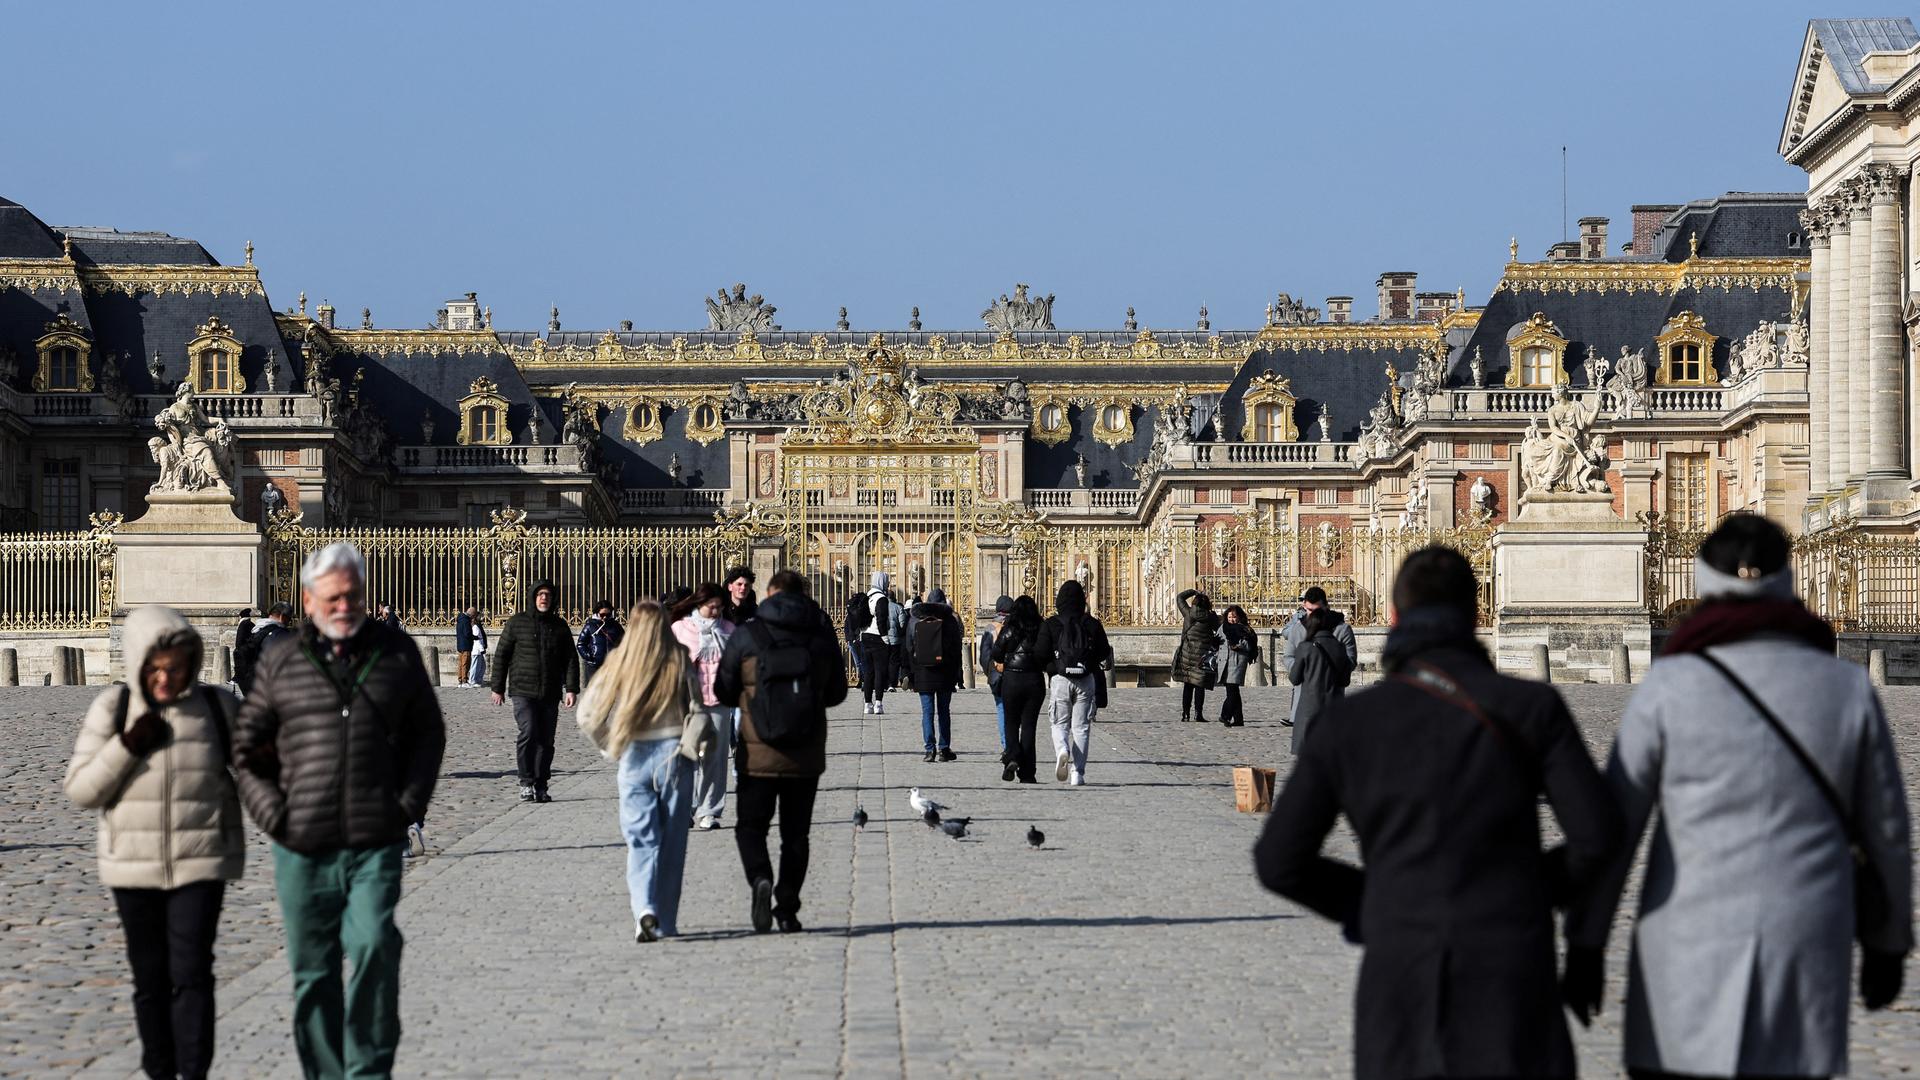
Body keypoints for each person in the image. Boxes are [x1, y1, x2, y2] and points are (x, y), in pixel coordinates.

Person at [1254, 546, 1621, 1080]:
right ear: (1476, 615)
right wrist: (1529, 888)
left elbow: (1278, 859)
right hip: (1510, 955)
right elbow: (1601, 834)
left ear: (1396, 617)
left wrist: (1372, 904)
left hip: (1401, 956)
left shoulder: (1349, 724)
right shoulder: (1532, 708)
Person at [1566, 514, 1912, 1080]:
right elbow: (1888, 830)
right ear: (1786, 580)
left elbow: (1615, 830)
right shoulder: (1846, 687)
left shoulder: (1669, 685)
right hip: (1804, 931)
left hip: (1686, 934)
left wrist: (1586, 942)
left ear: (1705, 581)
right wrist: (1888, 942)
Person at [233, 542, 446, 1079]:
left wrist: (407, 806)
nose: (344, 606)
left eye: (353, 595)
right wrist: (272, 815)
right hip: (301, 842)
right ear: (308, 601)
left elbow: (428, 735)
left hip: (376, 836)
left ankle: (369, 1070)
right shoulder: (281, 659)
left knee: (375, 943)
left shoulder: (397, 653)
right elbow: (247, 748)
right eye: (332, 597)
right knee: (313, 972)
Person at [65, 606, 244, 1080]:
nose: (165, 679)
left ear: (192, 662)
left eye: (176, 667)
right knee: (149, 980)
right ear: (137, 662)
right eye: (154, 668)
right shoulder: (114, 707)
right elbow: (82, 790)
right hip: (133, 865)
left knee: (191, 973)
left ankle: (194, 1073)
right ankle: (159, 1071)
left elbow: (263, 775)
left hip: (202, 859)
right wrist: (127, 746)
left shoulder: (217, 707)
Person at [713, 569, 846, 933]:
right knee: (796, 835)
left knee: (750, 828)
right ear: (802, 594)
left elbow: (723, 691)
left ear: (770, 593)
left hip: (757, 753)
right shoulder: (820, 634)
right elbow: (837, 693)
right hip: (804, 754)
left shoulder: (748, 633)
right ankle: (787, 908)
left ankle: (760, 878)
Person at [576, 600, 698, 943]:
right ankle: (667, 920)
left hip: (634, 756)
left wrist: (609, 745)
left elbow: (587, 715)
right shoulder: (678, 659)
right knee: (673, 844)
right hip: (674, 755)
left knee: (641, 842)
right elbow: (698, 709)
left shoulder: (620, 661)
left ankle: (644, 910)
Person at [490, 579, 580, 803]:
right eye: (540, 594)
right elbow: (502, 655)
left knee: (546, 740)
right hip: (522, 690)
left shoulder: (559, 626)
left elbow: (570, 659)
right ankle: (526, 781)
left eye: (547, 594)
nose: (544, 598)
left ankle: (541, 784)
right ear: (532, 597)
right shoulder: (517, 623)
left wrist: (571, 689)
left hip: (549, 691)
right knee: (529, 732)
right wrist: (497, 687)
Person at [671, 583, 735, 830]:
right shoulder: (680, 628)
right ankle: (685, 806)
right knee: (687, 755)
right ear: (699, 604)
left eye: (720, 607)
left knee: (716, 759)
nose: (716, 611)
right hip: (689, 702)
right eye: (712, 607)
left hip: (719, 702)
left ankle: (710, 810)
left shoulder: (729, 629)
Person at [1036, 578, 1111, 786]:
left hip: (1060, 679)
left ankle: (1062, 749)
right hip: (1085, 679)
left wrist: (1054, 668)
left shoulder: (1051, 624)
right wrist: (1088, 662)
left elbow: (1040, 654)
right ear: (1082, 600)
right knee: (1081, 727)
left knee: (1058, 723)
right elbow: (1105, 650)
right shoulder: (1092, 623)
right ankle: (1077, 772)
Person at [1281, 586, 1357, 737]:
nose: (1313, 615)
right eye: (1309, 610)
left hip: (1332, 696)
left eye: (1317, 610)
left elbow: (1351, 660)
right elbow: (1288, 656)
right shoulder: (1298, 629)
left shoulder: (1342, 629)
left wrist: (1331, 670)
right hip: (1304, 698)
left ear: (1326, 607)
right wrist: (1300, 670)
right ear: (1304, 607)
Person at [991, 595, 1047, 783]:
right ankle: (1028, 772)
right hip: (1034, 681)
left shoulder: (1010, 628)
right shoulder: (1040, 628)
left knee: (1011, 722)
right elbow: (1046, 654)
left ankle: (1013, 756)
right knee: (1029, 726)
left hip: (1012, 680)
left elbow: (996, 653)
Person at [905, 586, 963, 763]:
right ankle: (944, 749)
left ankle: (929, 750)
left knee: (927, 712)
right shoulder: (950, 620)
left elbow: (908, 647)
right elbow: (956, 649)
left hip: (923, 672)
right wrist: (956, 674)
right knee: (944, 712)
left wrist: (913, 671)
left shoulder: (915, 620)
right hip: (945, 672)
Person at [1172, 589, 1221, 722]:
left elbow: (1180, 597)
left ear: (1194, 603)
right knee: (1200, 685)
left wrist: (1193, 591)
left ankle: (1185, 714)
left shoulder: (1188, 613)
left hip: (1187, 654)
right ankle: (1198, 714)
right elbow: (1219, 631)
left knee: (1188, 684)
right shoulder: (1210, 617)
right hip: (1202, 656)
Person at [854, 571, 894, 714]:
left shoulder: (867, 596)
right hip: (878, 637)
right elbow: (881, 619)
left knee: (868, 672)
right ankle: (878, 703)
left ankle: (867, 704)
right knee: (879, 671)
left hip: (865, 636)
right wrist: (885, 637)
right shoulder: (881, 598)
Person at [979, 594, 1013, 752]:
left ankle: (1006, 744)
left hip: (996, 675)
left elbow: (984, 655)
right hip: (1014, 673)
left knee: (1001, 708)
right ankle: (1013, 742)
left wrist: (990, 671)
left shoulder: (990, 628)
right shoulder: (1016, 627)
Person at [1214, 604, 1258, 727]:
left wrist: (1240, 645)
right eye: (1229, 617)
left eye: (1234, 617)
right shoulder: (1222, 628)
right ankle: (1239, 719)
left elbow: (1251, 645)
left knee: (1232, 691)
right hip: (1225, 662)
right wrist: (1217, 654)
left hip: (1238, 662)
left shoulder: (1245, 629)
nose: (1232, 619)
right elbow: (1216, 642)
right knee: (1232, 691)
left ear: (1239, 617)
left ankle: (1225, 715)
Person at [234, 602, 292, 697]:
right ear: (282, 617)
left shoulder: (256, 631)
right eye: (289, 618)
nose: (289, 622)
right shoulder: (281, 636)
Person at [576, 599, 624, 688]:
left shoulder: (616, 626)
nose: (605, 617)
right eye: (602, 615)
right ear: (597, 613)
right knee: (595, 691)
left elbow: (624, 643)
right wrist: (589, 656)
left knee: (610, 692)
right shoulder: (590, 625)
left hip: (612, 665)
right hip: (594, 665)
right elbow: (581, 643)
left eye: (608, 615)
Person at [454, 605, 479, 687]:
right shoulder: (465, 620)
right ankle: (464, 681)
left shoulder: (460, 619)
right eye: (474, 616)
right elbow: (467, 633)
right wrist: (475, 637)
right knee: (465, 663)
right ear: (472, 614)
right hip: (466, 645)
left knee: (461, 664)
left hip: (460, 644)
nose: (473, 618)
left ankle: (460, 680)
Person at [465, 607, 489, 688]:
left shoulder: (477, 625)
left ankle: (478, 679)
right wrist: (482, 649)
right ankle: (472, 680)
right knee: (475, 666)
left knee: (482, 666)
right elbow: (477, 639)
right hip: (477, 649)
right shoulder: (475, 626)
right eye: (479, 616)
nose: (481, 617)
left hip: (480, 649)